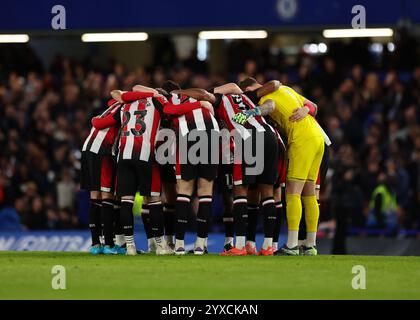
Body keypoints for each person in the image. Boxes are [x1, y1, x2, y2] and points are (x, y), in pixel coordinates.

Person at [176, 82, 279, 255]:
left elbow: (202, 93)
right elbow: (272, 98)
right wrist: (251, 112)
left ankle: (239, 246)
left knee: (240, 191)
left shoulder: (220, 99)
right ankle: (268, 246)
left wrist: (178, 92)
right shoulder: (249, 97)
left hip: (246, 138)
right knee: (267, 192)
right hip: (269, 136)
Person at [107, 89, 213, 255]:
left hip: (124, 154)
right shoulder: (158, 101)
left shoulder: (125, 104)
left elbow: (119, 96)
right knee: (155, 199)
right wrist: (199, 103)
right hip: (145, 155)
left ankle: (129, 247)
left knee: (126, 201)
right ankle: (162, 245)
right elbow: (173, 110)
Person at [235, 78, 324, 256]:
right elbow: (313, 105)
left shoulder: (264, 96)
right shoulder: (287, 89)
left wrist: (252, 111)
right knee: (309, 193)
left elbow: (270, 105)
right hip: (318, 137)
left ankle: (291, 245)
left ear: (251, 88)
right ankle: (310, 245)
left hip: (302, 139)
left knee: (292, 191)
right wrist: (306, 109)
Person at [81, 99, 124, 255]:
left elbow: (110, 100)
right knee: (107, 197)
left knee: (95, 197)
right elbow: (99, 124)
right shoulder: (123, 110)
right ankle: (108, 244)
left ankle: (95, 244)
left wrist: (94, 119)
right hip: (102, 150)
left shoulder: (112, 107)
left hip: (87, 148)